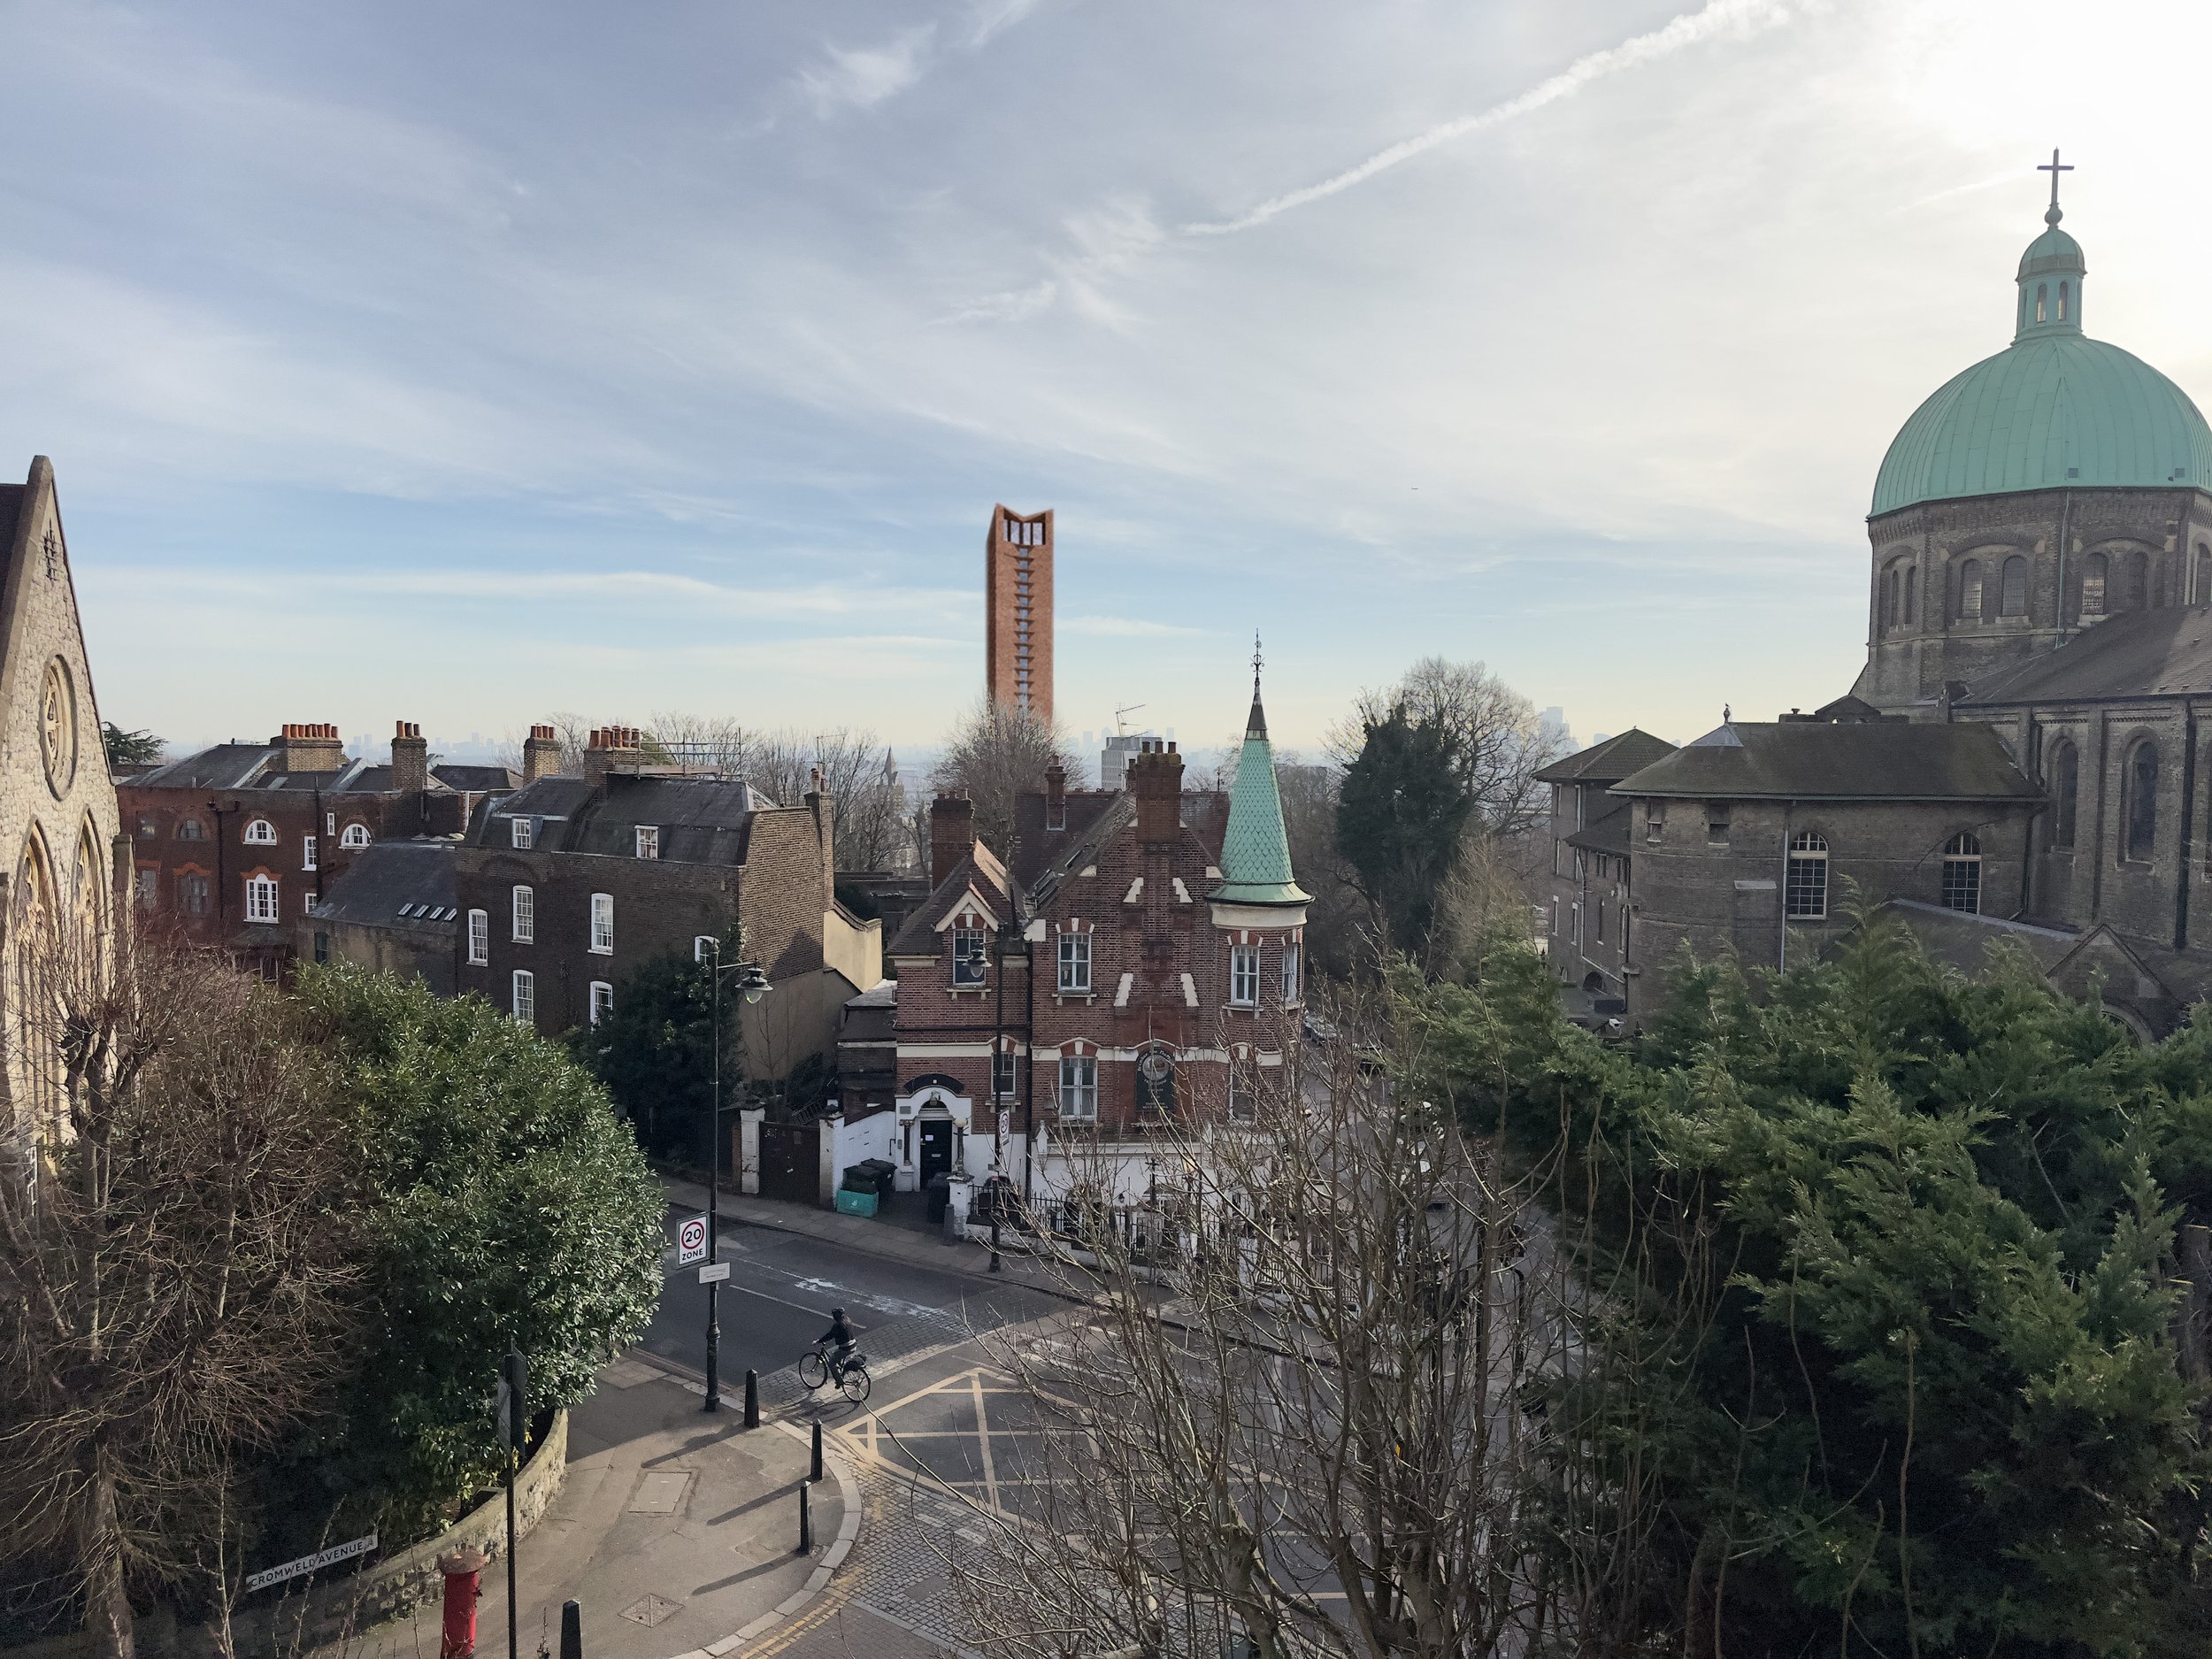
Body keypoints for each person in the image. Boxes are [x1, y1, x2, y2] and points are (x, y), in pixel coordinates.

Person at [818, 1306, 856, 1381]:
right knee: (835, 1354)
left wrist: (818, 1341)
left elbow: (830, 1335)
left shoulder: (838, 1325)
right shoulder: (847, 1319)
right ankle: (842, 1368)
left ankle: (839, 1381)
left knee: (831, 1363)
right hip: (853, 1344)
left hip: (846, 1348)